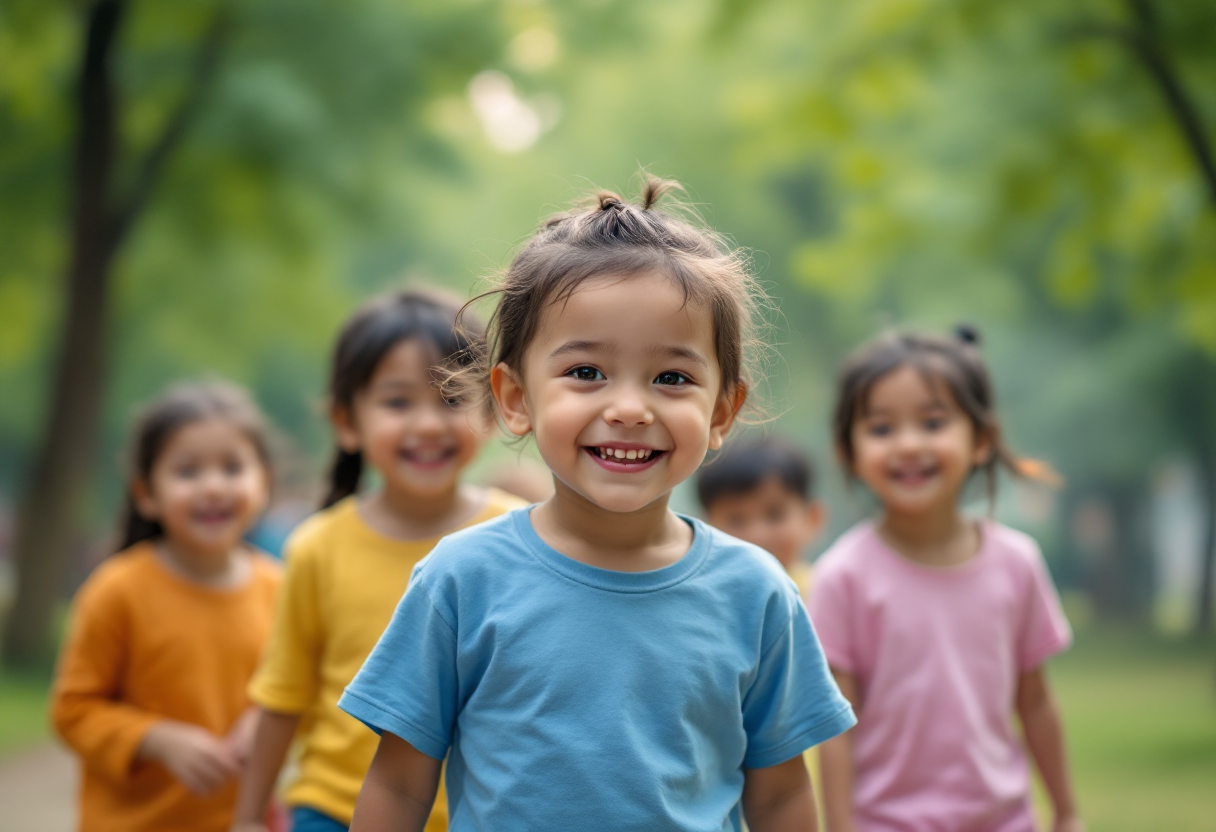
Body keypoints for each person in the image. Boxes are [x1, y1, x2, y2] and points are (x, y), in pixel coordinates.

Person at [336, 178, 856, 832]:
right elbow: (400, 785)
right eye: (586, 372)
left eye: (672, 378)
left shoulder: (756, 594)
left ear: (722, 410)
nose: (629, 409)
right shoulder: (461, 581)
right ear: (516, 399)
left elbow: (780, 796)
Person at [231, 289, 524, 832]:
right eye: (397, 402)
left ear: (492, 407)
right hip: (334, 810)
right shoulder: (318, 547)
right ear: (347, 421)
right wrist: (250, 816)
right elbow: (283, 694)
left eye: (450, 398)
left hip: (474, 815)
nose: (428, 424)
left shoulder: (523, 537)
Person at [809, 327, 1083, 832]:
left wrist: (1066, 812)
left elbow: (1036, 701)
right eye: (881, 429)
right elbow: (836, 728)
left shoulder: (1017, 563)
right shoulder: (842, 576)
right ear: (848, 450)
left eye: (933, 423)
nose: (909, 445)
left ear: (981, 439)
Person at [50, 381, 282, 832]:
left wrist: (266, 722)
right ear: (146, 494)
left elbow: (302, 690)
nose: (213, 486)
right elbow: (72, 710)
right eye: (187, 472)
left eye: (232, 468)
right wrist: (153, 739)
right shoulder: (117, 590)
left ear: (264, 483)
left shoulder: (283, 589)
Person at [697, 435, 826, 594]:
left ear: (812, 518)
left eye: (775, 515)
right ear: (705, 528)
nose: (757, 535)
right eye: (736, 520)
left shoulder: (825, 593)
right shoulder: (704, 597)